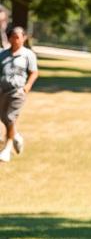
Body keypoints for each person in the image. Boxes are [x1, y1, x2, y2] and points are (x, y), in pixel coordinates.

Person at [0, 26, 39, 162]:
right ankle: (16, 136)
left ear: (24, 38)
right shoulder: (3, 54)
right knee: (4, 118)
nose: (15, 40)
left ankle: (7, 148)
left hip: (18, 91)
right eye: (12, 37)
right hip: (3, 91)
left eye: (18, 37)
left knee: (10, 118)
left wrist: (27, 86)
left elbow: (34, 72)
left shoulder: (28, 54)